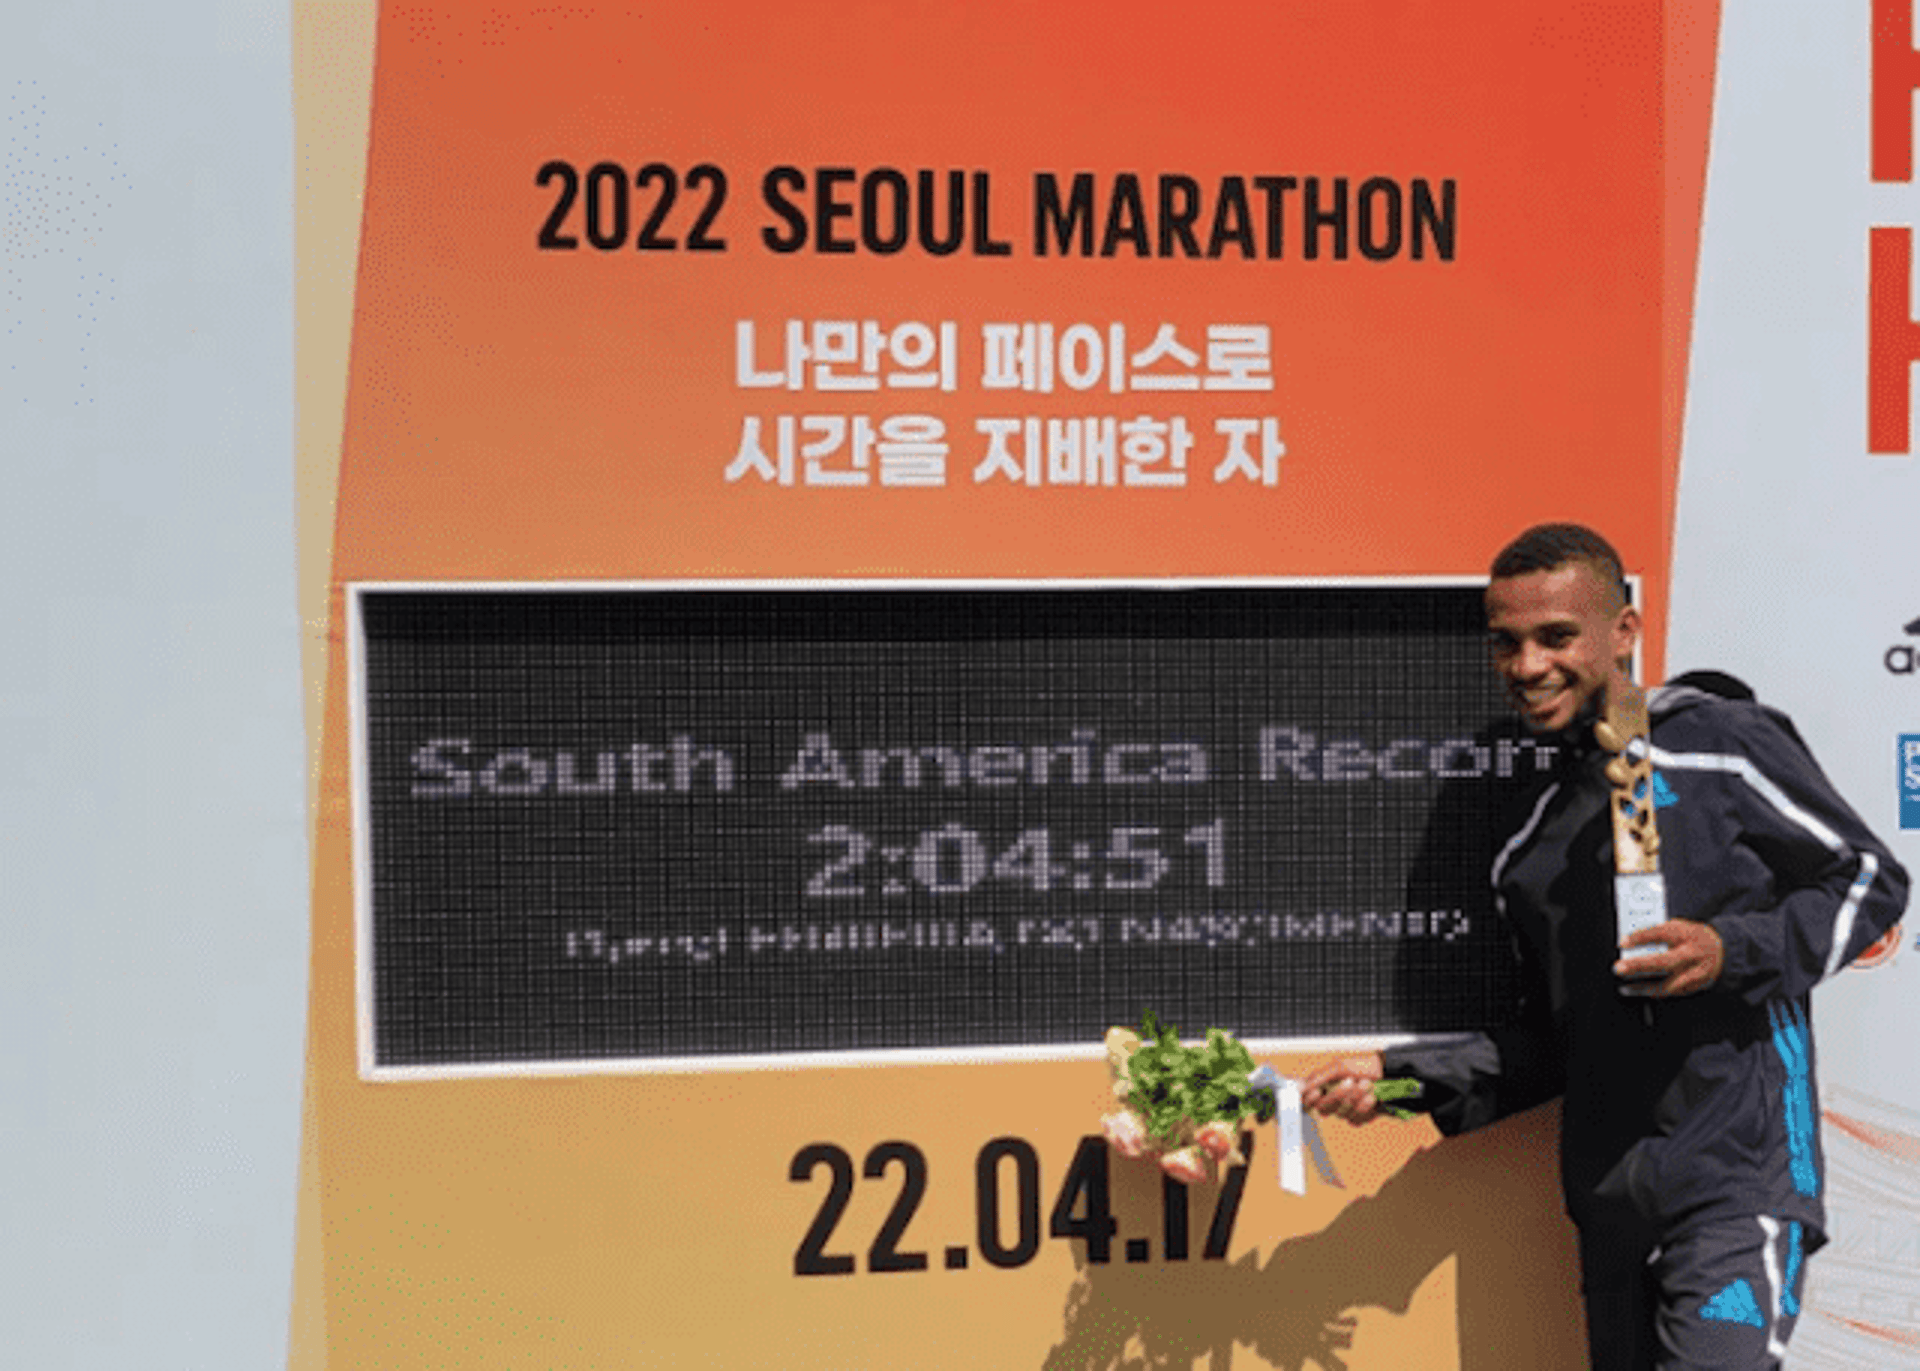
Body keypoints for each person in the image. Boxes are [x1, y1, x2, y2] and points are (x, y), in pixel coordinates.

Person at [1302, 523, 1908, 1369]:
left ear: (1623, 631)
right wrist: (1399, 1076)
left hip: (1739, 1190)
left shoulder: (1723, 744)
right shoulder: (1530, 844)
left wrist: (1732, 949)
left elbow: (1872, 880)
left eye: (1556, 636)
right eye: (1506, 643)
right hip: (1610, 1216)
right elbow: (1552, 1045)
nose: (1527, 665)